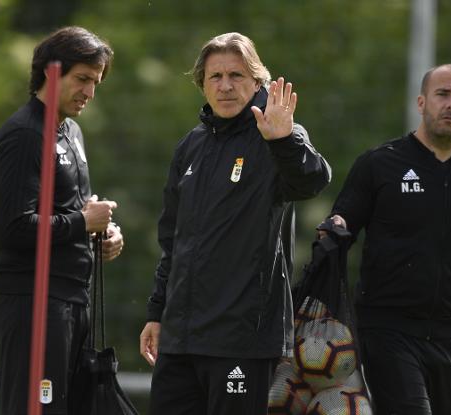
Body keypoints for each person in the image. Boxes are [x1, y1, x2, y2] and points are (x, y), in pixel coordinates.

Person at [324, 63, 451, 414]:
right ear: (421, 102)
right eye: (442, 94)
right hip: (387, 331)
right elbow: (335, 237)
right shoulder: (379, 165)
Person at [139, 32, 331, 414]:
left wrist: (284, 140)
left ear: (258, 82)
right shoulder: (190, 147)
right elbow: (173, 240)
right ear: (202, 84)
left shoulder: (277, 135)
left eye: (237, 76)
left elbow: (312, 180)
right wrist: (157, 313)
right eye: (216, 77)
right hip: (180, 338)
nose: (226, 86)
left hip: (242, 337)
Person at [0, 26, 123, 414]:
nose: (90, 93)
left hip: (71, 299)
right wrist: (83, 222)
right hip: (33, 302)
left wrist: (102, 235)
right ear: (50, 72)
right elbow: (14, 228)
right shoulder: (24, 136)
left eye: (96, 82)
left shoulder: (71, 130)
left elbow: (68, 211)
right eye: (82, 79)